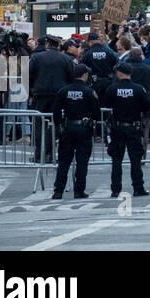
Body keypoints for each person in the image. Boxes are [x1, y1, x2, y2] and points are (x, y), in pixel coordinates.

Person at [50, 64, 100, 200]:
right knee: (82, 162)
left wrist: (59, 126)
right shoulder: (89, 91)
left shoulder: (64, 90)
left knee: (64, 162)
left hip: (67, 128)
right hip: (84, 129)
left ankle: (58, 191)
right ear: (84, 75)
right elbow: (96, 112)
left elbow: (56, 110)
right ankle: (79, 190)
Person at [102, 62, 150, 198]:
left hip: (117, 128)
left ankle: (116, 189)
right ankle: (138, 187)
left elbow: (107, 104)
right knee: (135, 160)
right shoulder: (139, 89)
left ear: (120, 73)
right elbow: (146, 105)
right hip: (134, 127)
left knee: (117, 160)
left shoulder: (113, 89)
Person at [28, 36, 75, 164]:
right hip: (59, 95)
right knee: (55, 124)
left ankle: (39, 154)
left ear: (47, 44)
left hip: (41, 94)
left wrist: (32, 89)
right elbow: (71, 77)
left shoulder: (37, 57)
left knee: (39, 125)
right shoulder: (65, 58)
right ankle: (50, 153)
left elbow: (29, 75)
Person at [81, 32, 120, 104]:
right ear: (98, 40)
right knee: (108, 104)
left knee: (96, 104)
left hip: (94, 83)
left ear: (90, 42)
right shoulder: (108, 51)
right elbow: (117, 63)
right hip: (108, 82)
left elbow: (81, 67)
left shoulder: (88, 53)